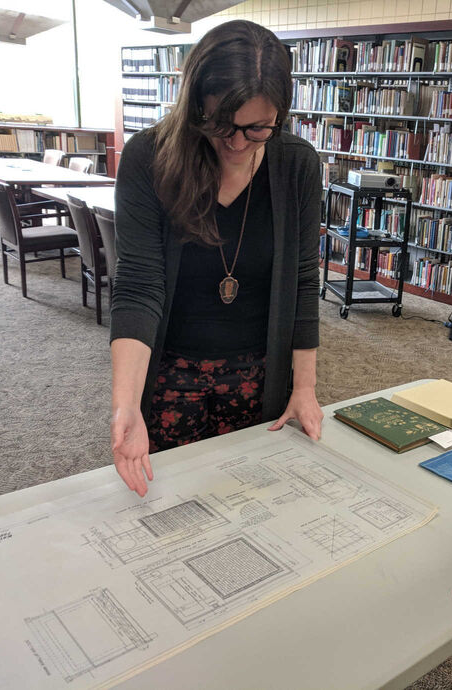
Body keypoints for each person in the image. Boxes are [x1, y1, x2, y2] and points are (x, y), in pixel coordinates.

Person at [109, 20, 323, 498]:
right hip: (170, 370)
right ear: (195, 106)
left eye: (258, 128)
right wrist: (126, 405)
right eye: (221, 126)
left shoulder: (297, 165)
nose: (238, 143)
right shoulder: (149, 156)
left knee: (252, 503)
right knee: (170, 505)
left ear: (280, 115)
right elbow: (138, 284)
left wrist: (304, 387)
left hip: (258, 373)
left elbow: (303, 281)